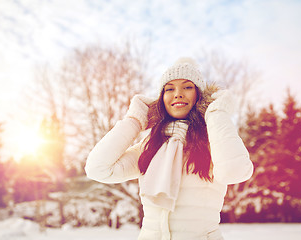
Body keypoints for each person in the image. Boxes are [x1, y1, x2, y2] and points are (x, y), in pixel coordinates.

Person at [85, 57, 254, 240]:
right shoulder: (151, 145)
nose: (178, 93)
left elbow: (235, 172)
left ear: (200, 95)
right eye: (169, 89)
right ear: (162, 98)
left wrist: (216, 113)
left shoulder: (213, 140)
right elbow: (98, 169)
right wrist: (134, 120)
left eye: (187, 87)